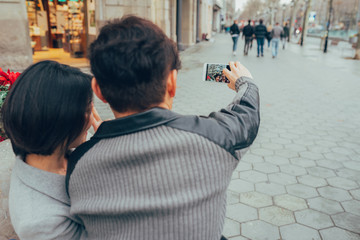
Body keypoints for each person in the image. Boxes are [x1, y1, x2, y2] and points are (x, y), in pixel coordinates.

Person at [66, 16, 260, 240]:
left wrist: (101, 142)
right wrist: (245, 81)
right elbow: (248, 113)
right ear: (172, 83)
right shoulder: (216, 138)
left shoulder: (78, 165)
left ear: (98, 90)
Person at [1, 60, 97, 240]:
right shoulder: (41, 222)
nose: (91, 118)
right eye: (86, 109)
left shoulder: (52, 154)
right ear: (59, 121)